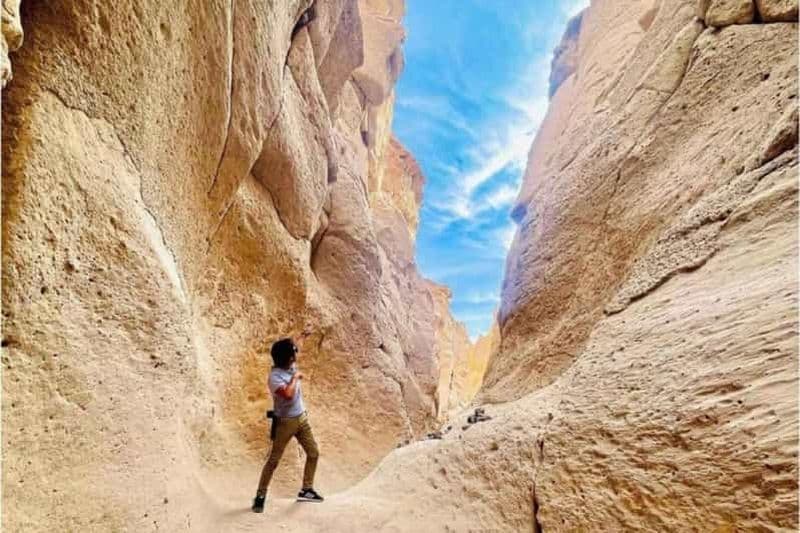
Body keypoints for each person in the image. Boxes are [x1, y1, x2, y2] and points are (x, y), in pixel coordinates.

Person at [252, 338, 323, 513]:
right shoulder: (275, 377)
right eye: (293, 354)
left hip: (301, 418)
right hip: (285, 423)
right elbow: (289, 394)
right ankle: (260, 496)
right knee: (273, 461)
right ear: (288, 358)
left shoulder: (289, 366)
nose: (295, 356)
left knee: (313, 453)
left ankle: (307, 489)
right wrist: (296, 377)